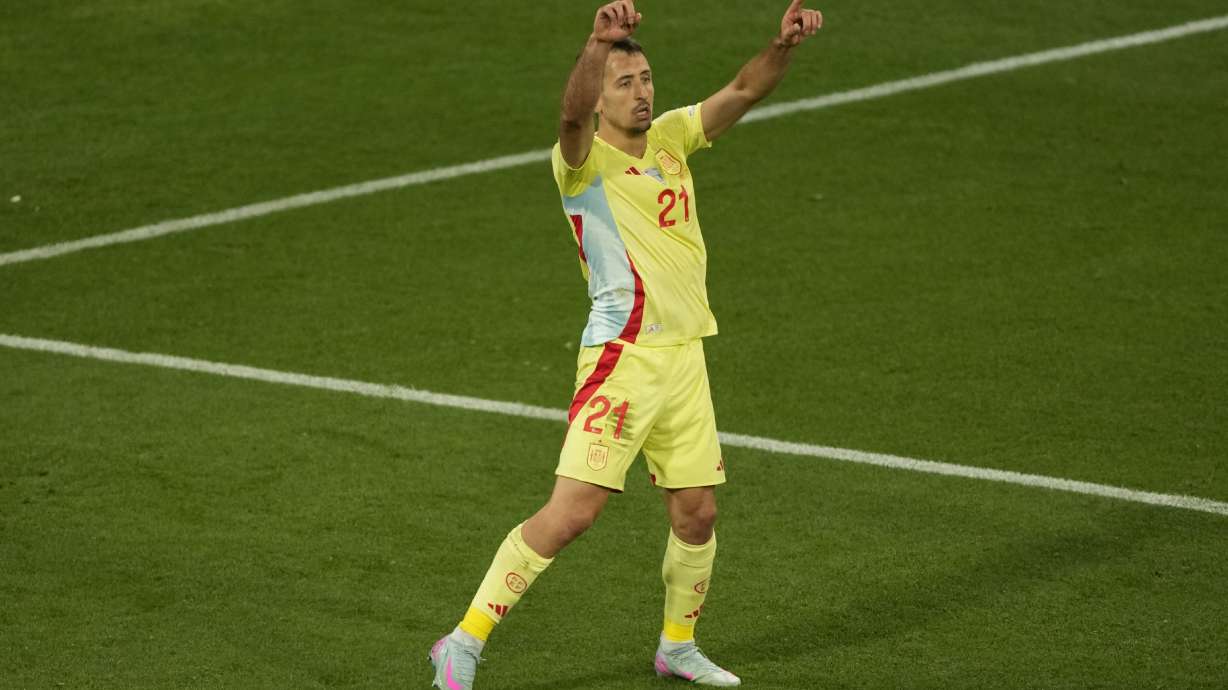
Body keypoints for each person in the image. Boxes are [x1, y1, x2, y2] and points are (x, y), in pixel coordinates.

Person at [429, 1, 822, 687]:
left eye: (645, 79)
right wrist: (595, 44)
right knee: (572, 514)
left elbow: (744, 89)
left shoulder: (671, 137)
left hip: (684, 356)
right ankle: (462, 641)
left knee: (697, 513)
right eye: (624, 83)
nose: (641, 93)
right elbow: (568, 118)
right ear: (599, 97)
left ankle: (677, 647)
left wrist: (781, 45)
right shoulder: (581, 164)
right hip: (623, 359)